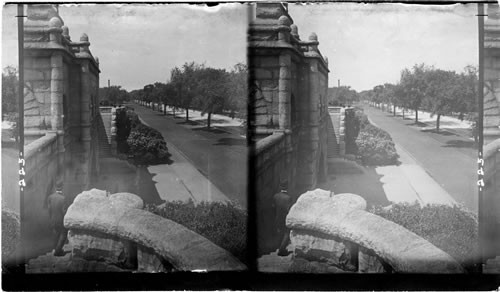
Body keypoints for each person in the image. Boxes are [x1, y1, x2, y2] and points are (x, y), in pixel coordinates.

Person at [272, 179, 293, 256]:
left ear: (280, 186)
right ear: (287, 187)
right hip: (285, 218)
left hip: (277, 217)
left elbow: (273, 207)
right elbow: (289, 209)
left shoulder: (275, 196)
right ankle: (281, 250)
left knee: (279, 232)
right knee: (287, 233)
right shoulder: (288, 198)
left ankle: (278, 246)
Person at [47, 181, 68, 256]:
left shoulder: (50, 197)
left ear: (55, 187)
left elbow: (49, 210)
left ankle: (53, 249)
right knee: (63, 234)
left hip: (53, 219)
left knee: (55, 234)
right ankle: (58, 251)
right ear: (62, 187)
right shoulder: (63, 198)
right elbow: (64, 211)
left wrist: (51, 218)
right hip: (60, 220)